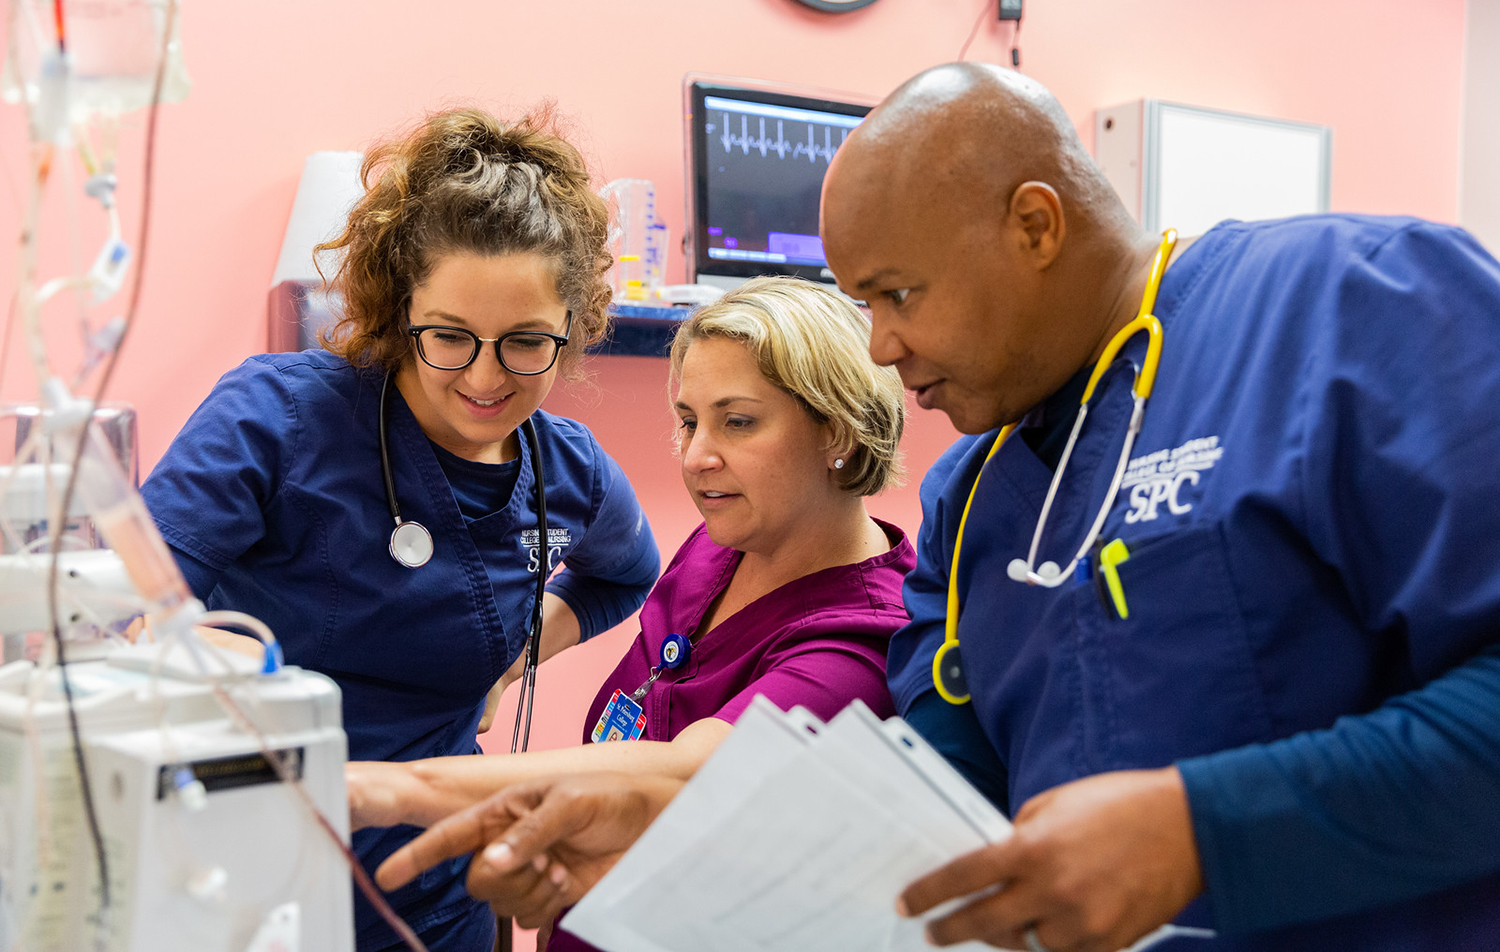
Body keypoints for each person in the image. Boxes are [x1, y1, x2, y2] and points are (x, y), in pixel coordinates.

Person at [813, 63, 1500, 951]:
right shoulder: (969, 499)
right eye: (860, 303)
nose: (879, 346)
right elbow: (950, 804)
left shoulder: (1354, 306)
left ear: (1035, 224)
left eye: (898, 294)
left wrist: (1204, 831)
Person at [139, 107, 662, 952]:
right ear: (398, 307)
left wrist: (518, 655)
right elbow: (131, 600)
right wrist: (196, 653)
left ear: (573, 329)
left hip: (436, 902)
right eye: (449, 337)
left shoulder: (570, 471)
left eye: (526, 342)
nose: (487, 378)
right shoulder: (277, 418)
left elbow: (625, 576)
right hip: (242, 893)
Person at [346, 276, 915, 949]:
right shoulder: (724, 544)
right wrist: (505, 666)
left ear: (839, 431)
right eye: (687, 420)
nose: (699, 457)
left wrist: (395, 783)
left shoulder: (864, 637)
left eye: (738, 421)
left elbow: (682, 771)